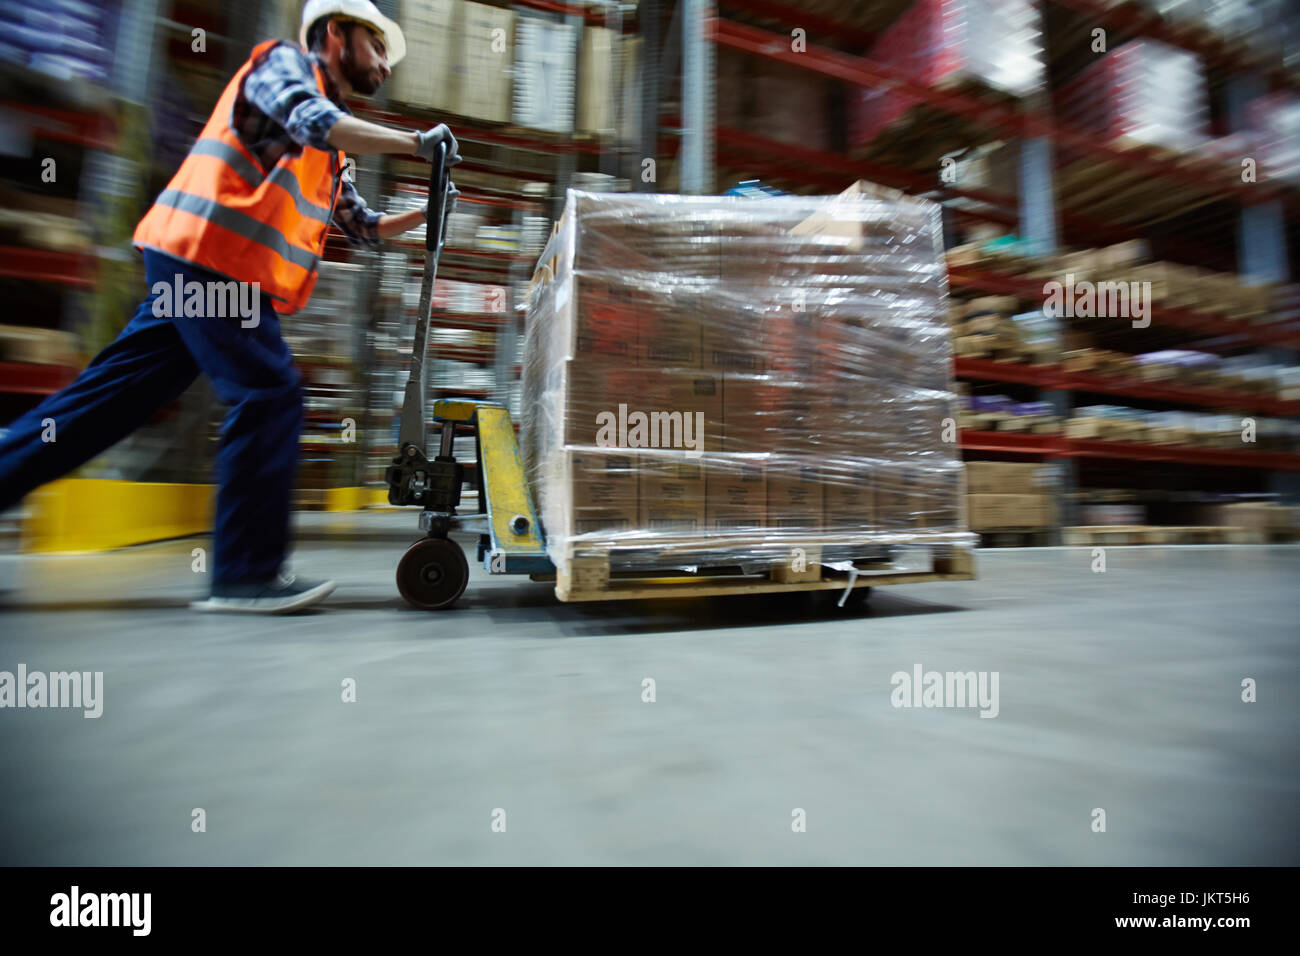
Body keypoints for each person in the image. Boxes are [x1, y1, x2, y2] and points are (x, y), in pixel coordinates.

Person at [0, 0, 461, 613]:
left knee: (104, 406)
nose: (384, 62)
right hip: (209, 261)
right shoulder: (281, 66)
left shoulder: (334, 147)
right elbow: (311, 119)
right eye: (376, 44)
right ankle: (244, 575)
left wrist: (426, 213)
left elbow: (363, 226)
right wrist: (414, 143)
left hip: (200, 263)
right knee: (268, 392)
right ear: (333, 35)